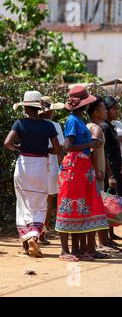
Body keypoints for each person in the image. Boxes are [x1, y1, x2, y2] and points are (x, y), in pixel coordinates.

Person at [55, 85, 109, 262]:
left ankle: (78, 250)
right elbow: (68, 146)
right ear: (83, 105)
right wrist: (89, 144)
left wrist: (90, 143)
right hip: (74, 167)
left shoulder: (77, 120)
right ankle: (64, 251)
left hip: (81, 168)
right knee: (69, 205)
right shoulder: (73, 120)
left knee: (80, 207)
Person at [4, 91, 60, 258]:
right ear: (40, 108)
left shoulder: (19, 123)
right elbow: (57, 149)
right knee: (40, 204)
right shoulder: (48, 125)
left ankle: (25, 242)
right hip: (41, 167)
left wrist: (20, 148)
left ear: (26, 107)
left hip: (23, 166)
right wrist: (46, 149)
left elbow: (7, 143)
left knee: (23, 204)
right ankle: (34, 235)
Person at [86, 96, 119, 253]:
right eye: (103, 108)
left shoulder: (95, 126)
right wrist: (97, 170)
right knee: (97, 208)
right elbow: (94, 152)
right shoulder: (96, 129)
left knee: (100, 207)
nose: (105, 111)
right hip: (97, 173)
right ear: (95, 111)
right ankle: (100, 242)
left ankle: (103, 240)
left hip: (98, 172)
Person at [37, 96, 65, 245]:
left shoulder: (32, 124)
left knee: (35, 200)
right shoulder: (55, 126)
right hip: (51, 166)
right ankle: (42, 233)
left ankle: (33, 232)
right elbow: (60, 149)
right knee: (48, 200)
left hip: (34, 165)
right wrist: (63, 168)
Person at [101, 96, 122, 242]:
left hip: (115, 169)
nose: (117, 111)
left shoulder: (111, 126)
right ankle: (105, 238)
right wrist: (110, 174)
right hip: (109, 170)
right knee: (107, 202)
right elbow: (105, 153)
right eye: (114, 109)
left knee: (112, 202)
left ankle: (110, 234)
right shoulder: (105, 127)